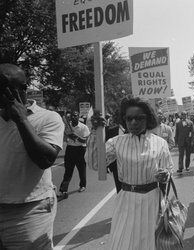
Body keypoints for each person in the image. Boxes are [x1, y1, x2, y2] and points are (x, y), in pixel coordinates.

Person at [87, 97, 173, 250]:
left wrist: (165, 174)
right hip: (127, 199)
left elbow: (168, 168)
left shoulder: (160, 143)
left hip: (152, 200)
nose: (133, 122)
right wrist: (94, 132)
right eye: (129, 118)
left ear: (148, 119)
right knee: (123, 242)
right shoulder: (116, 142)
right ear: (124, 120)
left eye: (139, 118)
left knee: (150, 243)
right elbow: (95, 164)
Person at [0, 63, 64, 249]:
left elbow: (45, 160)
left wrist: (21, 119)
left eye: (4, 89)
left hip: (29, 210)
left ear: (22, 90)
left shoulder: (48, 118)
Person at [57, 110, 90, 200]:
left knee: (81, 169)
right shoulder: (67, 127)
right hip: (70, 149)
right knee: (68, 171)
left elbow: (84, 140)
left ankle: (82, 185)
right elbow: (64, 139)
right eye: (72, 116)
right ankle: (63, 190)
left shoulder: (83, 127)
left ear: (78, 116)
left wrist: (75, 136)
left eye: (75, 116)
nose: (73, 117)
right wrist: (67, 136)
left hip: (80, 150)